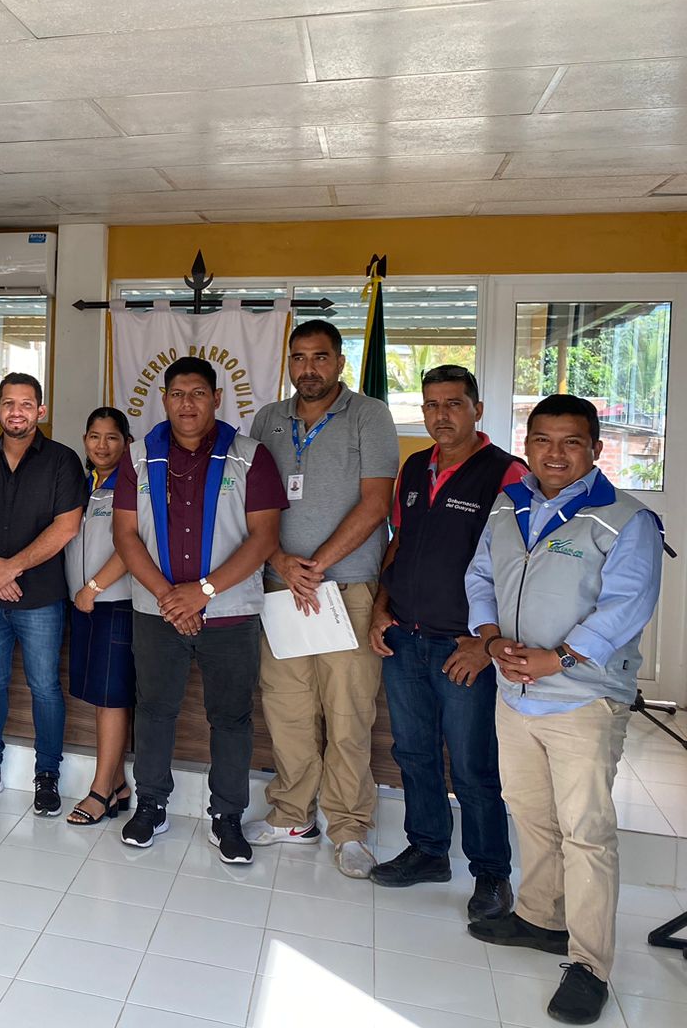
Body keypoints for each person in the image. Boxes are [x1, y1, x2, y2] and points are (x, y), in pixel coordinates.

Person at [464, 395, 664, 1026]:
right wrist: (490, 638)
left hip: (583, 698)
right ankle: (541, 917)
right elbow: (480, 576)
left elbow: (627, 604)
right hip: (514, 691)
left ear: (595, 449)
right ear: (527, 445)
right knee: (530, 813)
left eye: (570, 441)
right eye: (542, 440)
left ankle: (589, 964)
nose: (554, 453)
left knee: (586, 832)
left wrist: (561, 658)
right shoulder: (508, 504)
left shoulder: (625, 519)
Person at [112, 359, 287, 863]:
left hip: (229, 613)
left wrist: (203, 592)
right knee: (154, 710)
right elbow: (125, 535)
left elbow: (264, 538)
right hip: (157, 611)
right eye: (177, 394)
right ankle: (151, 806)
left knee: (231, 717)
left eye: (198, 393)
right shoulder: (138, 456)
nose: (187, 404)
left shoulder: (250, 456)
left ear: (216, 398)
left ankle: (226, 816)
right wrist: (172, 597)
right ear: (164, 399)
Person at [368, 366, 526, 920]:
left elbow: (519, 567)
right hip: (405, 637)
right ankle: (429, 850)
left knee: (473, 765)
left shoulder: (506, 473)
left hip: (463, 647)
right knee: (412, 752)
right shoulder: (415, 467)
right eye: (432, 405)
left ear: (476, 410)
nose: (441, 415)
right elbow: (399, 541)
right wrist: (381, 606)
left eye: (453, 404)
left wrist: (486, 645)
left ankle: (491, 874)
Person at [244, 319, 398, 879]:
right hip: (280, 588)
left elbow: (376, 503)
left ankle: (349, 828)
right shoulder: (268, 419)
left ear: (339, 362)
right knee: (287, 708)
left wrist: (317, 563)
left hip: (346, 588)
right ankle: (291, 814)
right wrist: (282, 562)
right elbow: (253, 505)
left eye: (320, 357)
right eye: (299, 358)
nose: (308, 369)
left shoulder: (369, 416)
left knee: (348, 713)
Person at [0, 374, 85, 814]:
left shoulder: (62, 460)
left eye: (26, 404)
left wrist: (12, 566)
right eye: (9, 403)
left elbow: (67, 526)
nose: (17, 412)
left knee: (44, 686)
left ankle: (47, 776)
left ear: (41, 411)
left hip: (40, 595)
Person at [64, 407, 136, 826]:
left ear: (127, 442)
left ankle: (100, 791)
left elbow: (132, 545)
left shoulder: (133, 484)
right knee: (101, 697)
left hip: (115, 603)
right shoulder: (83, 483)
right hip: (85, 605)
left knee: (112, 699)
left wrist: (93, 588)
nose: (102, 445)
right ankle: (118, 783)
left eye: (112, 437)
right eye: (94, 436)